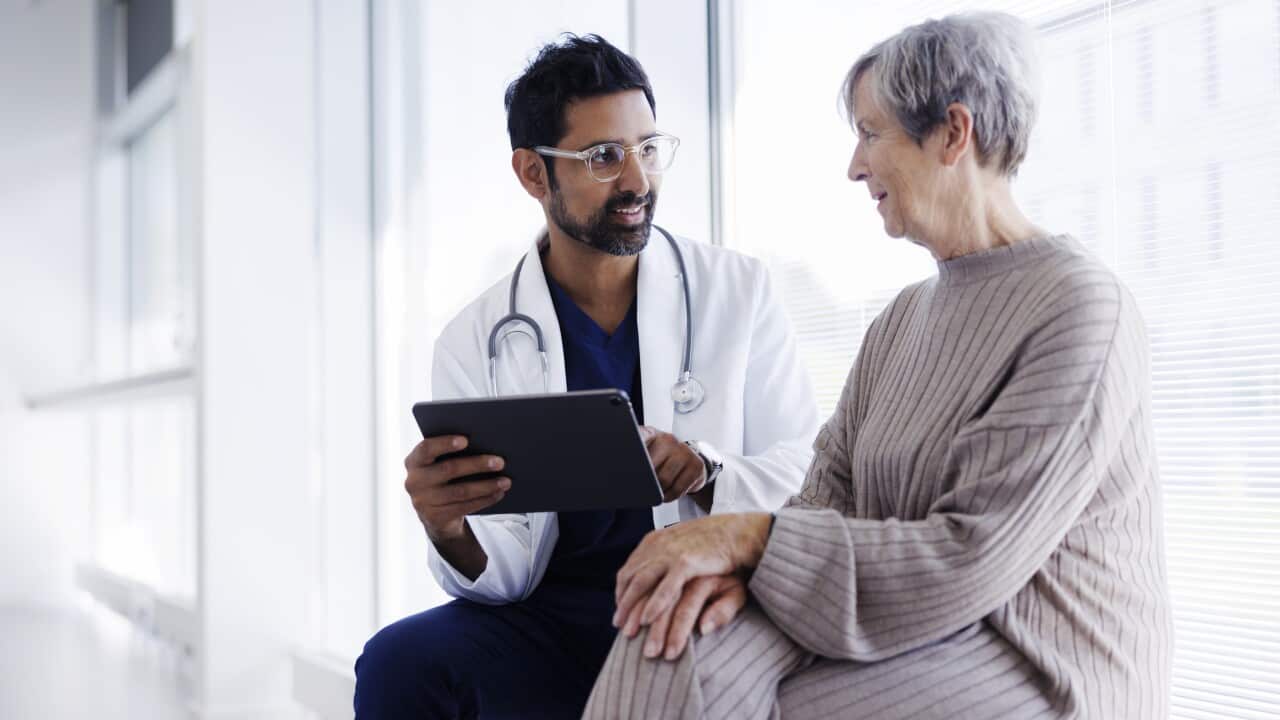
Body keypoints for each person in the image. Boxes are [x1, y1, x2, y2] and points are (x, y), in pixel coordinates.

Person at [584, 12, 1173, 719]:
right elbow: (825, 501)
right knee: (667, 641)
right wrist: (742, 567)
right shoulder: (900, 321)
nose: (855, 166)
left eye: (871, 133)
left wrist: (748, 539)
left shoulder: (1080, 310)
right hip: (909, 624)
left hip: (1038, 654)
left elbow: (970, 556)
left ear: (953, 133)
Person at [352, 34, 819, 719]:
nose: (637, 180)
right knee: (399, 664)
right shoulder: (474, 341)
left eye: (648, 149)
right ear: (533, 175)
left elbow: (805, 473)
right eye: (603, 157)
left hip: (692, 596)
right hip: (551, 618)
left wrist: (705, 470)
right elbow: (505, 574)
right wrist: (448, 529)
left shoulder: (738, 293)